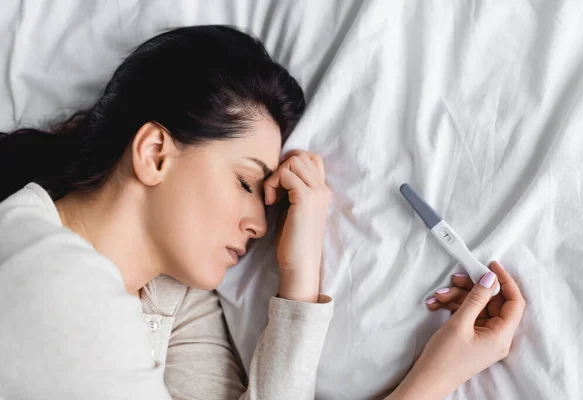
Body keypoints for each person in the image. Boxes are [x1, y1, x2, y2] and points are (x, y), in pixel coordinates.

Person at [0, 25, 525, 400]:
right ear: (155, 154)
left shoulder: (174, 299)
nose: (259, 223)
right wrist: (434, 381)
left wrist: (299, 277)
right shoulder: (48, 279)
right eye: (245, 181)